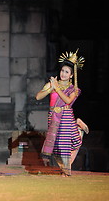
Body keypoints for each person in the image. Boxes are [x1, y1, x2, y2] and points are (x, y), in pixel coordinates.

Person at [36, 49, 89, 177]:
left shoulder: (74, 89)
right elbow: (38, 97)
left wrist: (57, 88)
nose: (63, 74)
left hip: (65, 116)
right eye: (62, 71)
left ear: (71, 75)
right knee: (57, 146)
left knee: (70, 143)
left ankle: (66, 172)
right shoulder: (52, 83)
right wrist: (50, 89)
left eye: (66, 72)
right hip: (53, 116)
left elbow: (68, 100)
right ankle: (65, 171)